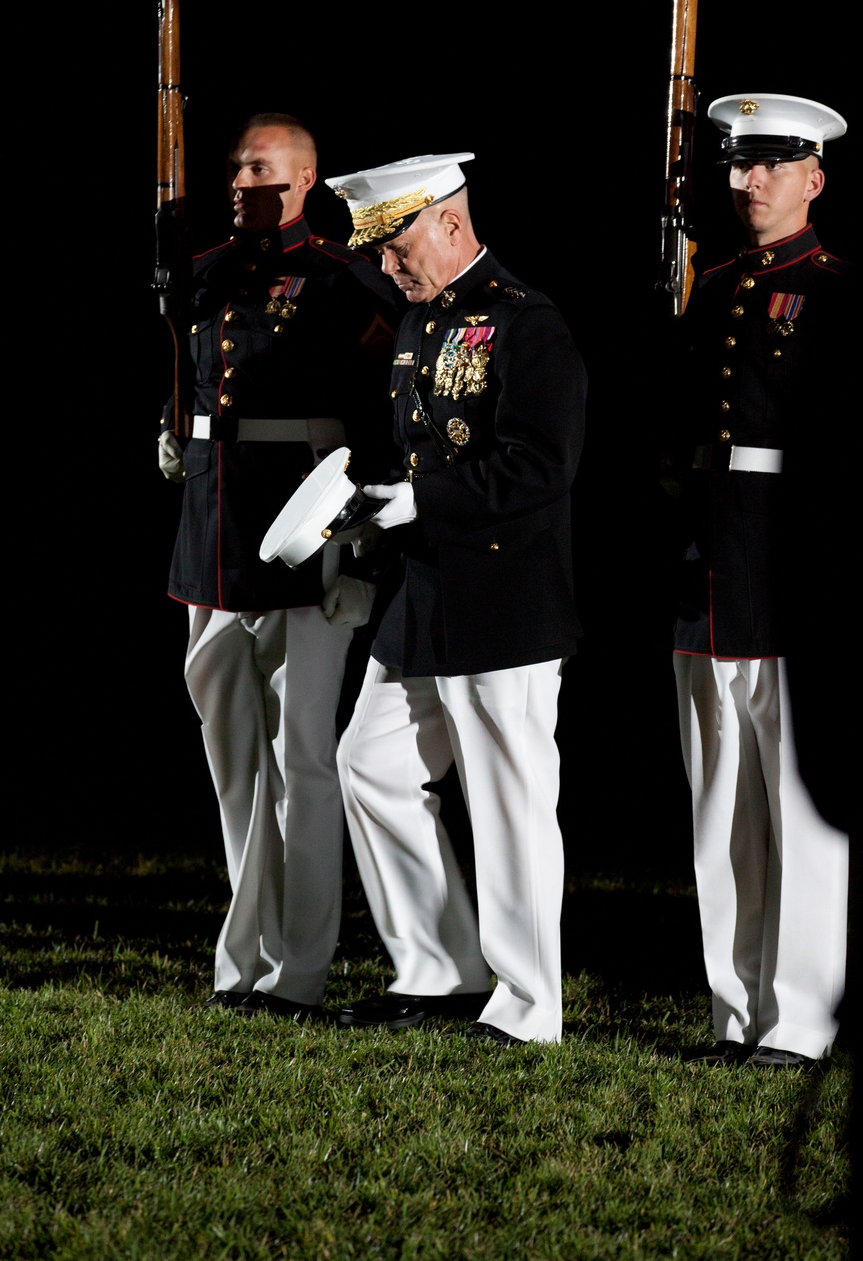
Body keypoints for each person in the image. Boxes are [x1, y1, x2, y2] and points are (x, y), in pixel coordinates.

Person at [323, 153, 587, 1046]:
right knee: (371, 766)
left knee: (509, 802)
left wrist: (418, 502)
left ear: (448, 223)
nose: (387, 269)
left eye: (397, 249)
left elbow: (541, 470)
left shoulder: (526, 324)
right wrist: (376, 509)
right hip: (428, 591)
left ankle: (527, 1004)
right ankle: (437, 969)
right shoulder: (422, 321)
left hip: (505, 595)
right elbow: (424, 449)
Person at [159, 113, 399, 1020]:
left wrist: (362, 549)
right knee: (233, 765)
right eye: (234, 167)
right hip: (212, 537)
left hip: (303, 541)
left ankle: (298, 969)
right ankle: (245, 953)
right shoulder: (207, 273)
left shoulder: (345, 281)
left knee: (303, 761)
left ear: (303, 179)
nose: (237, 179)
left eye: (257, 166)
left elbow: (382, 419)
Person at [670, 94, 852, 1069]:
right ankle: (734, 1012)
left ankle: (801, 1018)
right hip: (706, 571)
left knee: (798, 820)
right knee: (719, 810)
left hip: (791, 571)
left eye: (769, 166)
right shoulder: (710, 287)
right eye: (737, 166)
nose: (745, 183)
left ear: (812, 177)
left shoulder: (837, 291)